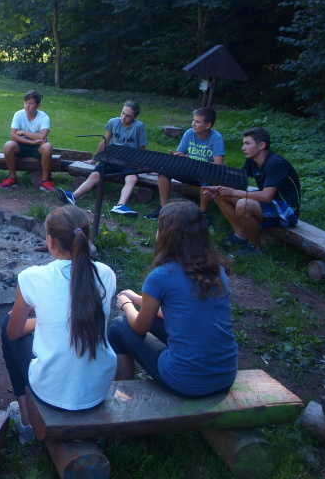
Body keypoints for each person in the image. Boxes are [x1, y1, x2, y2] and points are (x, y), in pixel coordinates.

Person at [1, 206, 117, 444]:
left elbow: (14, 332)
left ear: (50, 241)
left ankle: (26, 421)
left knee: (6, 326)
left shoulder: (32, 277)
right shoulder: (105, 274)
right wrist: (45, 315)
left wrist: (40, 318)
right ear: (86, 238)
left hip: (52, 393)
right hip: (98, 390)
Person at [108, 202, 238, 397]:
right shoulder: (216, 269)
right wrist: (137, 299)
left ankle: (124, 396)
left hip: (185, 381)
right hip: (225, 375)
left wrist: (126, 304)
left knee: (119, 326)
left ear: (165, 235)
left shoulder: (162, 276)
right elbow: (185, 313)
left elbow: (140, 327)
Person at [205, 127, 300, 256]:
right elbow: (238, 182)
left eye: (247, 143)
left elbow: (266, 197)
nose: (242, 148)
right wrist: (217, 189)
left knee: (243, 204)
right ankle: (241, 235)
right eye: (243, 144)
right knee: (221, 194)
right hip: (271, 203)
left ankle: (255, 247)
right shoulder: (252, 160)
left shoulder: (275, 163)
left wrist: (233, 193)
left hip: (287, 210)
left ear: (261, 145)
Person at [56, 101, 147, 216]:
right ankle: (73, 197)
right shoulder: (114, 122)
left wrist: (143, 166)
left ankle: (120, 205)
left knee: (132, 178)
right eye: (123, 113)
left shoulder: (139, 127)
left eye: (128, 116)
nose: (123, 117)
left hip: (128, 161)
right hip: (111, 158)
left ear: (135, 117)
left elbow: (142, 148)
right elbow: (105, 141)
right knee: (95, 175)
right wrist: (95, 159)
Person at [145, 107, 225, 224]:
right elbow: (181, 154)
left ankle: (203, 213)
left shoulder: (216, 138)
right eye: (193, 120)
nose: (193, 124)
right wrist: (179, 156)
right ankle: (163, 208)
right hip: (190, 171)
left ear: (208, 125)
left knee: (207, 177)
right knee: (164, 169)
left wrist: (193, 161)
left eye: (197, 122)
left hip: (205, 174)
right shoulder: (189, 133)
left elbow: (219, 164)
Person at [0, 90, 54, 192]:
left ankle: (45, 181)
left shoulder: (44, 117)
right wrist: (32, 141)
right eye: (25, 102)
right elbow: (13, 136)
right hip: (23, 145)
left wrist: (23, 132)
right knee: (8, 145)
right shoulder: (18, 114)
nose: (27, 106)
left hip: (38, 146)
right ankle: (12, 178)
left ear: (38, 105)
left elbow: (42, 136)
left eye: (31, 103)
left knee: (48, 147)